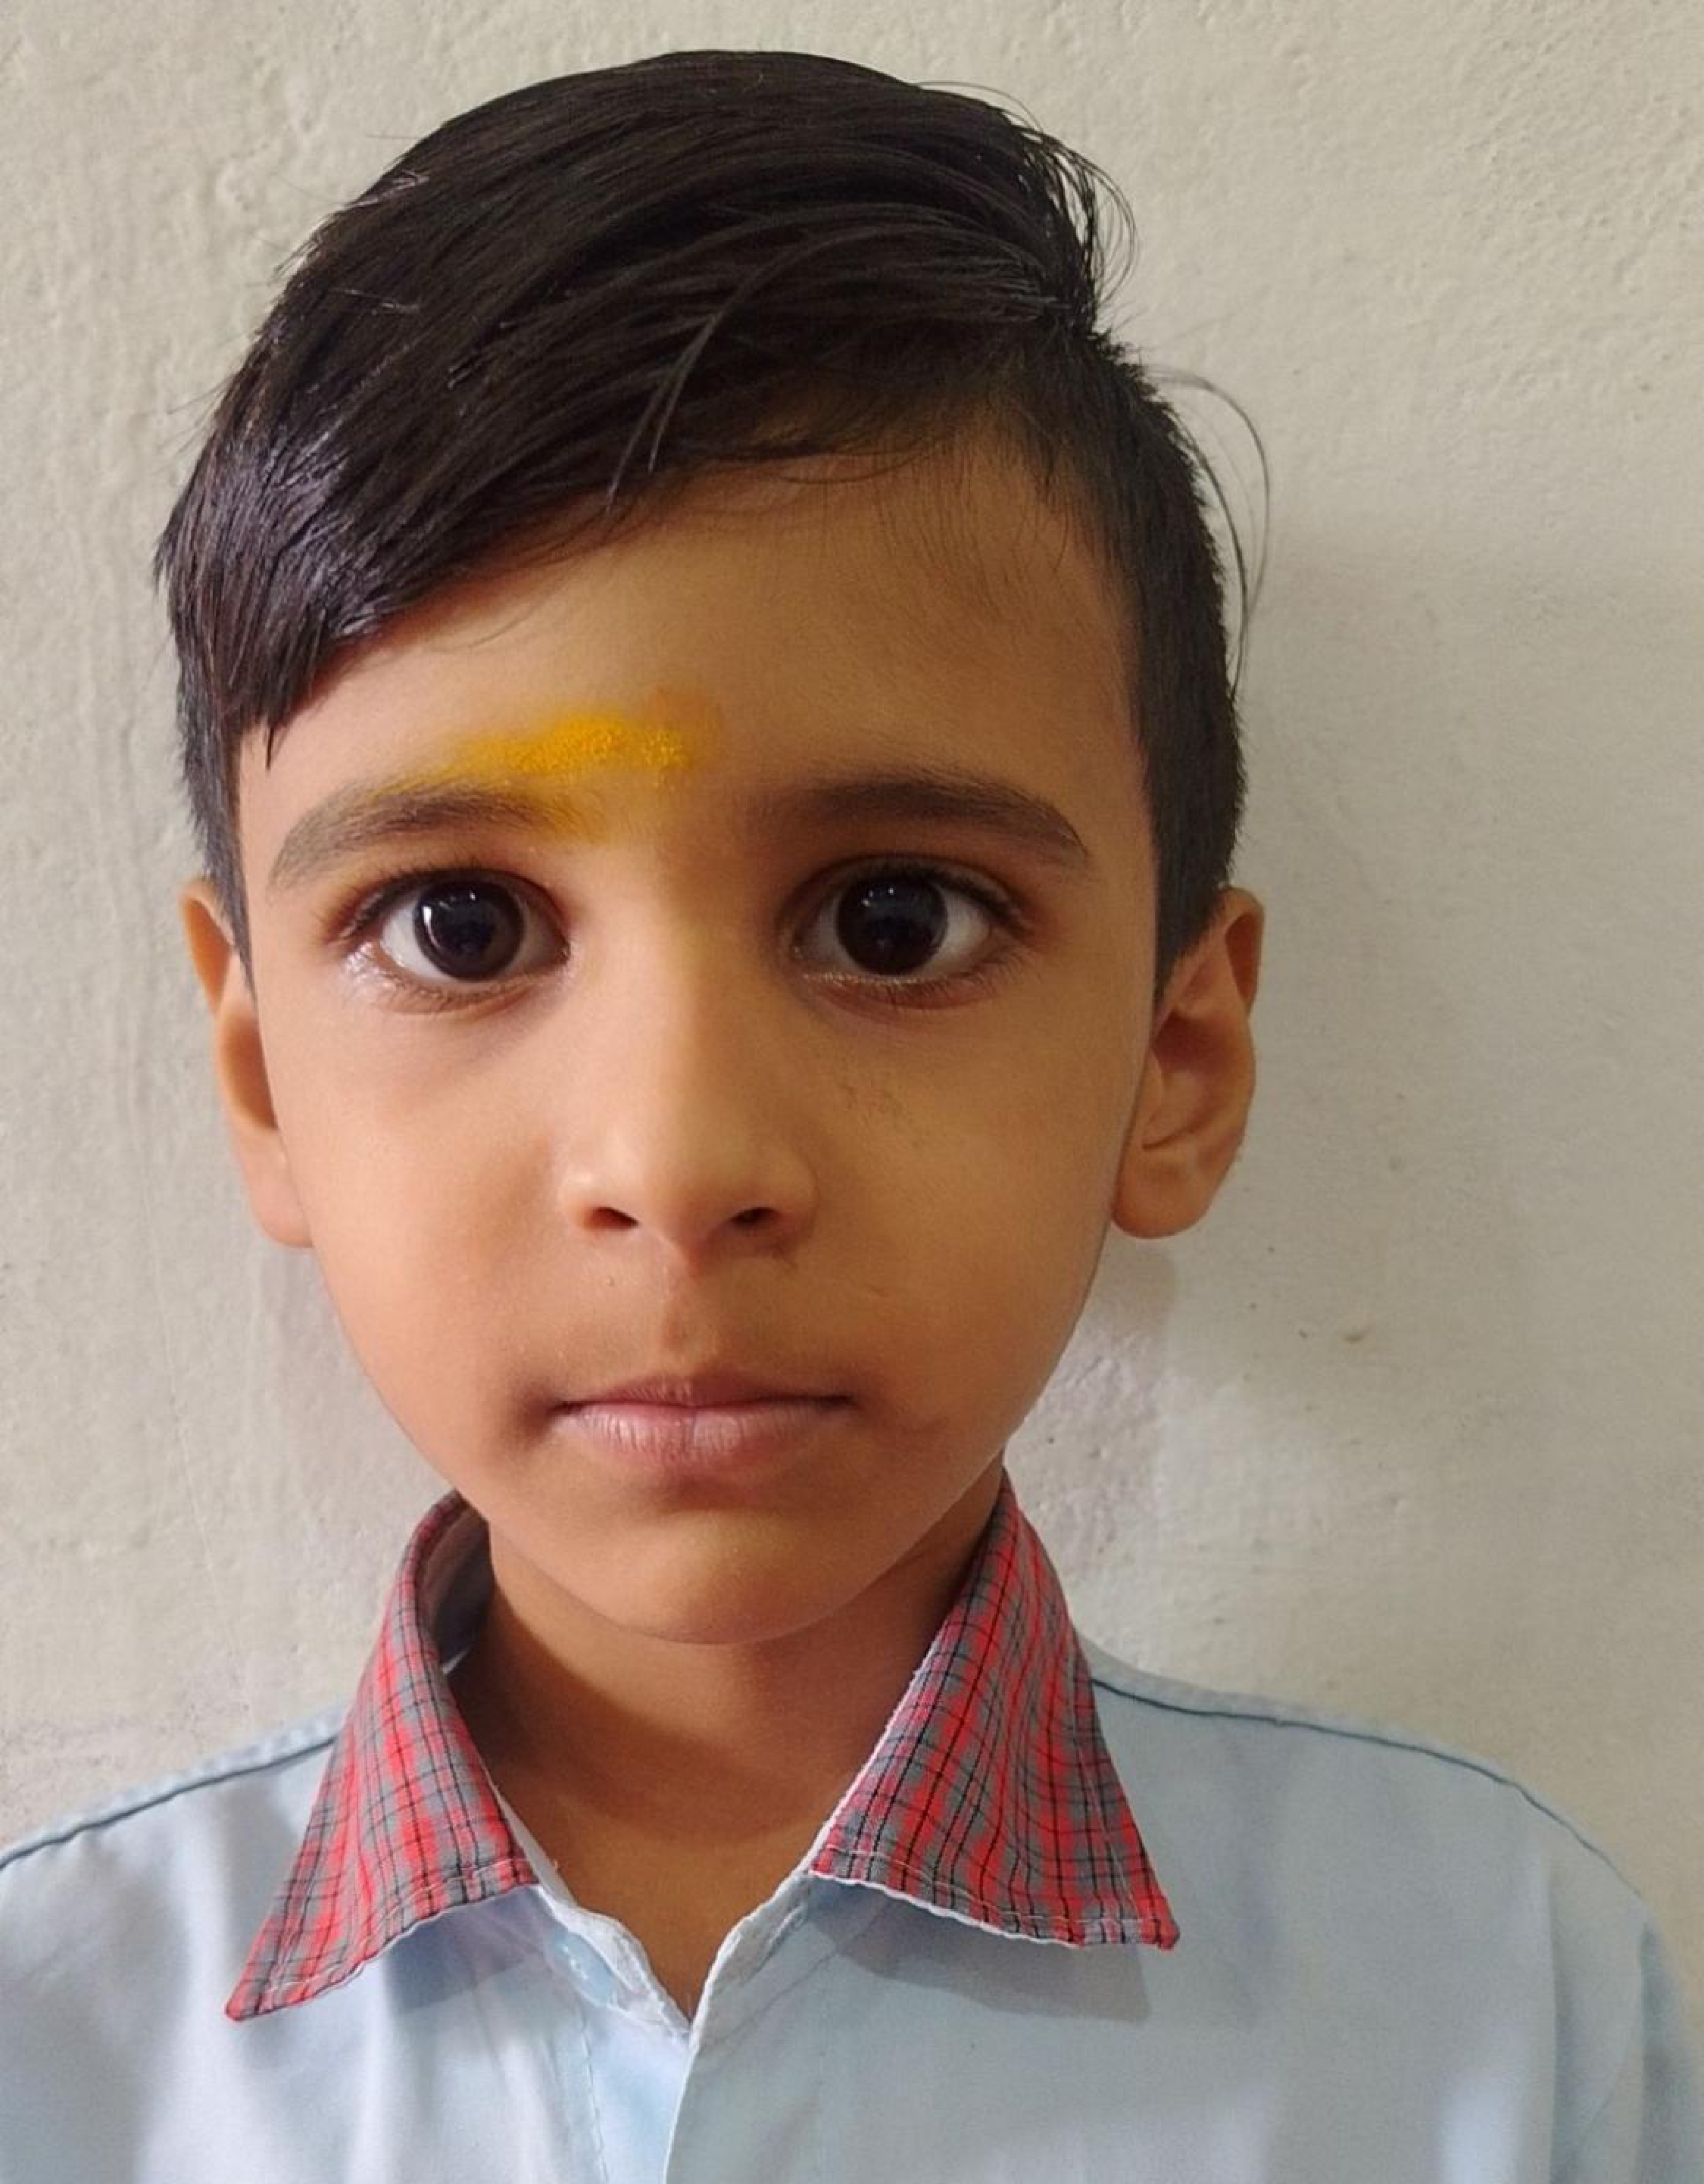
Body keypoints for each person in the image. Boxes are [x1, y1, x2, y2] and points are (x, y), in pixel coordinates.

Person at [2, 46, 1698, 2183]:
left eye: (894, 922)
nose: (678, 1162)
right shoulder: (51, 2048)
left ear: (1173, 1063)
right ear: (261, 1076)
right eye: (460, 925)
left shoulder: (1490, 2004)